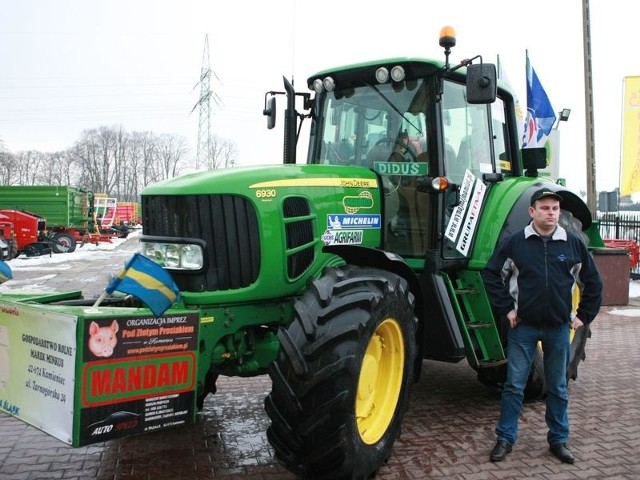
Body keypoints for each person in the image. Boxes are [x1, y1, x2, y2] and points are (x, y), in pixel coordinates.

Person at [481, 188, 603, 464]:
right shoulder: (515, 243)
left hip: (559, 328)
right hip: (523, 328)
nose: (551, 213)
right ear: (532, 211)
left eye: (555, 209)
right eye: (545, 208)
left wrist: (583, 315)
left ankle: (559, 440)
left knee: (558, 387)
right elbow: (491, 274)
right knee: (514, 385)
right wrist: (508, 309)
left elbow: (594, 283)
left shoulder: (572, 244)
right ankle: (505, 438)